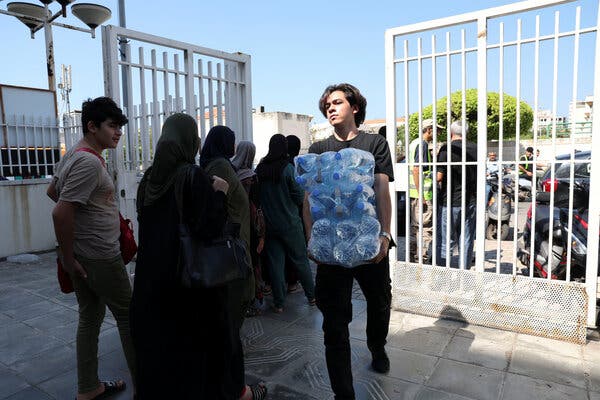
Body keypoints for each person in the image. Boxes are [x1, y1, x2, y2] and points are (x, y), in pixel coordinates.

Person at [131, 113, 253, 399]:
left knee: (162, 357)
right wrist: (220, 194)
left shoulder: (148, 179)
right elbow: (209, 227)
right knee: (201, 355)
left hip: (152, 282)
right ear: (189, 141)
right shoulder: (191, 175)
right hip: (187, 285)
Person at [306, 83, 394, 399]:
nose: (331, 107)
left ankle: (376, 345)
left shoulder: (375, 144)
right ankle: (343, 392)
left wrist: (384, 235)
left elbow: (382, 189)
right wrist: (310, 239)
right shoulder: (318, 150)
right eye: (327, 104)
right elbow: (309, 199)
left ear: (354, 107)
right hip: (331, 248)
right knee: (334, 322)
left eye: (338, 102)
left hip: (370, 244)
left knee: (380, 301)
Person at [47, 97, 135, 400]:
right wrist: (69, 259)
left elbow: (52, 191)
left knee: (90, 318)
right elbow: (60, 211)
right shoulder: (86, 161)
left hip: (85, 255)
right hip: (99, 256)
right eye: (112, 126)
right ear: (92, 126)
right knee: (129, 316)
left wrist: (81, 226)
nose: (118, 132)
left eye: (119, 127)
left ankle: (88, 388)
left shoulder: (74, 153)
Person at [200, 126, 266, 400]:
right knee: (232, 311)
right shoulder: (219, 167)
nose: (234, 144)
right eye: (231, 140)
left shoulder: (220, 164)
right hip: (233, 246)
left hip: (236, 242)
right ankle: (228, 380)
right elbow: (225, 204)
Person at [256, 134, 316, 313]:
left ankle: (279, 303)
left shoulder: (260, 168)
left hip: (270, 225)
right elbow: (299, 196)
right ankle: (312, 296)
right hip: (289, 223)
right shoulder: (288, 168)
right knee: (300, 260)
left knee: (275, 264)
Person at [436, 120, 478, 269]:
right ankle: (463, 274)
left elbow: (439, 177)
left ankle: (443, 274)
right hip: (470, 201)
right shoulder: (476, 148)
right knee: (466, 240)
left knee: (446, 241)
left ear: (451, 133)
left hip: (449, 200)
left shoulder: (447, 149)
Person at [231, 140, 265, 317]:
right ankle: (251, 300)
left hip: (235, 223)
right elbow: (257, 206)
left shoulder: (230, 172)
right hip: (250, 226)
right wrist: (261, 235)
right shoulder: (251, 177)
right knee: (252, 262)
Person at [408, 118, 442, 264]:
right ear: (429, 130)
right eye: (436, 130)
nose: (438, 133)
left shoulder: (414, 143)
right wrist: (421, 195)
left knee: (415, 228)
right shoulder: (421, 144)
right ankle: (422, 260)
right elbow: (417, 169)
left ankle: (413, 258)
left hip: (413, 193)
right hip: (422, 193)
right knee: (425, 229)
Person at [284, 134, 302, 293]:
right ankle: (294, 283)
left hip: (272, 219)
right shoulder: (295, 167)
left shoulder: (265, 164)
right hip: (293, 217)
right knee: (297, 254)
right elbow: (300, 195)